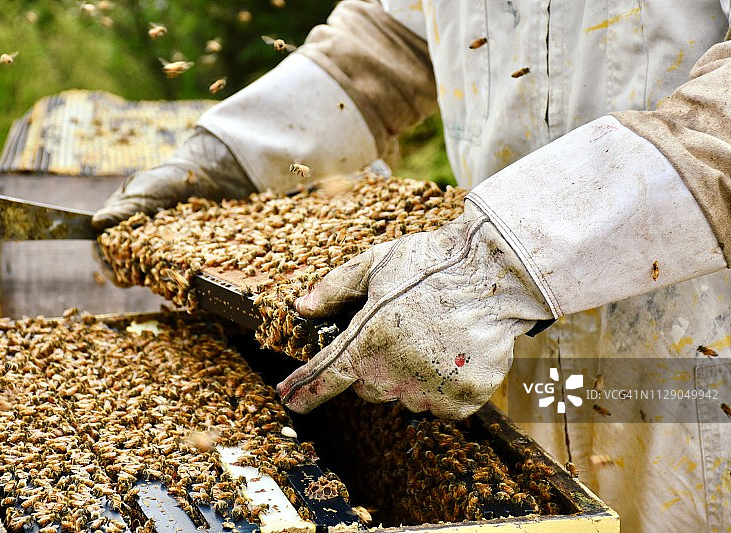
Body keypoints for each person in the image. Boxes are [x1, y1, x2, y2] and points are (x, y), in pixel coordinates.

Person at [93, 2, 731, 530]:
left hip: (693, 357)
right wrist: (236, 154)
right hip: (482, 341)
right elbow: (390, 40)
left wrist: (499, 261)